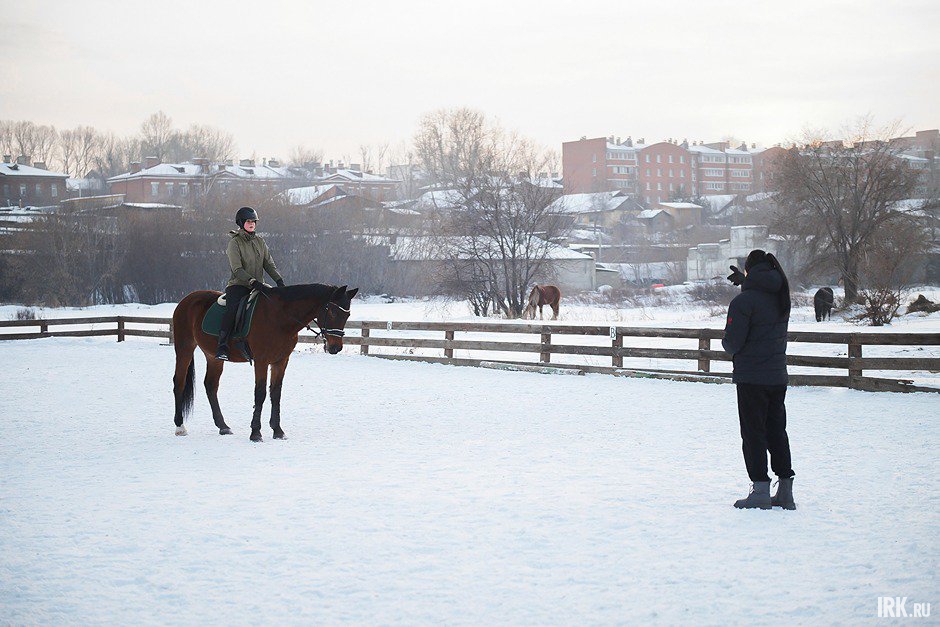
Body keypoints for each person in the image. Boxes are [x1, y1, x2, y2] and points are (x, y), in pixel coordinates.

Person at [722, 249, 796, 510]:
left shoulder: (743, 303)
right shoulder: (780, 297)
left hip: (752, 377)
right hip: (777, 375)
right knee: (776, 430)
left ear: (749, 270)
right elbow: (761, 303)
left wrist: (726, 342)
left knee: (753, 432)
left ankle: (760, 490)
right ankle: (785, 491)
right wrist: (747, 283)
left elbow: (733, 342)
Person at [216, 206, 286, 361]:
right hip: (239, 285)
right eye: (248, 221)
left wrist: (279, 280)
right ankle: (222, 345)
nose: (252, 223)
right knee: (232, 310)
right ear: (241, 223)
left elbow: (269, 265)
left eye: (254, 221)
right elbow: (237, 269)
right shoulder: (234, 243)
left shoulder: (260, 242)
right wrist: (252, 281)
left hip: (259, 285)